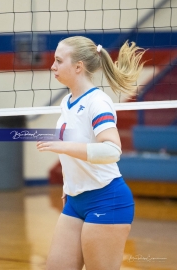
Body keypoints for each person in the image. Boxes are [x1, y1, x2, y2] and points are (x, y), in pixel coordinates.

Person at [37, 36, 145, 270]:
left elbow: (111, 150)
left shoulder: (98, 103)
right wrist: (69, 187)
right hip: (76, 201)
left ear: (78, 66)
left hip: (107, 200)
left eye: (58, 60)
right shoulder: (67, 102)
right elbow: (77, 148)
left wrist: (61, 146)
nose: (52, 66)